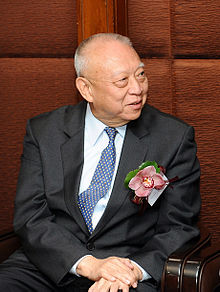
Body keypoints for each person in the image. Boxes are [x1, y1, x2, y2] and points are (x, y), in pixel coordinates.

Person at [0, 33, 201, 292]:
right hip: (48, 265)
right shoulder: (44, 131)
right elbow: (31, 217)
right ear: (86, 89)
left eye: (140, 75)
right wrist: (86, 263)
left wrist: (128, 272)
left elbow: (179, 227)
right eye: (122, 81)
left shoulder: (173, 138)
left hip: (125, 269)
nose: (137, 89)